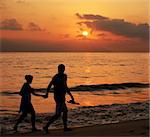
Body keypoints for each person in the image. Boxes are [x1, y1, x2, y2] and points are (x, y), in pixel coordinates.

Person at [43, 64, 75, 133]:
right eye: (61, 69)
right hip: (58, 97)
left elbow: (65, 86)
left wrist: (71, 96)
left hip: (61, 97)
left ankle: (65, 127)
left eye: (63, 69)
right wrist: (46, 94)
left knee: (65, 111)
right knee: (58, 114)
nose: (62, 70)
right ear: (59, 69)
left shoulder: (62, 76)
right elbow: (50, 86)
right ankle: (46, 126)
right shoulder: (57, 77)